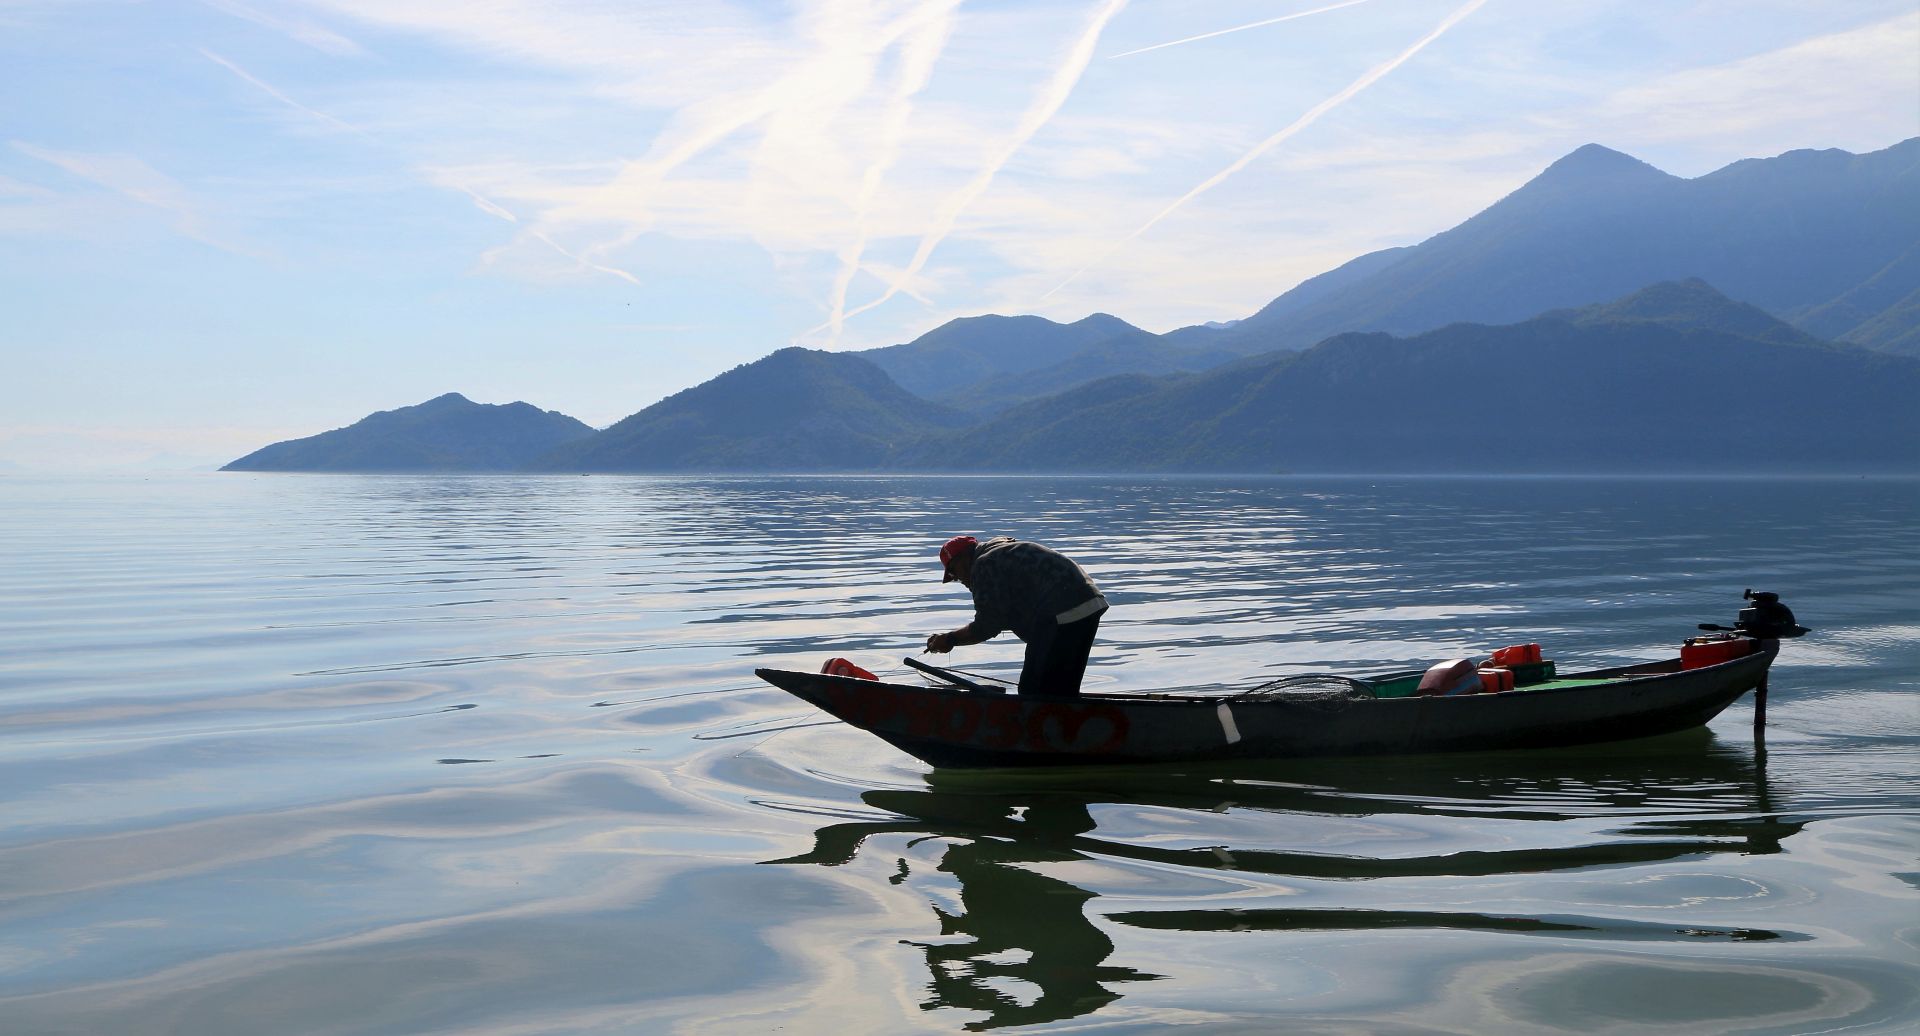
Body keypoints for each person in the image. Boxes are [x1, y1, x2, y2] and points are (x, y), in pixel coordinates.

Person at [924, 535, 1108, 698]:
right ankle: (1075, 729)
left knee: (1032, 691)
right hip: (1090, 603)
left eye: (953, 571)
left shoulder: (983, 564)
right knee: (1062, 692)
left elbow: (986, 627)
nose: (958, 579)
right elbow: (1001, 615)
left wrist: (950, 639)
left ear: (964, 557)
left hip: (1061, 610)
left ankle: (1039, 731)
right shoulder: (1001, 551)